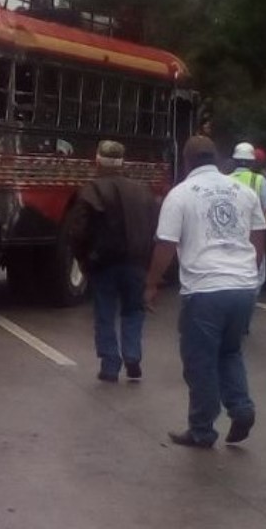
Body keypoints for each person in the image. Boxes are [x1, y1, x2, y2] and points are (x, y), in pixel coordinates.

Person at [145, 136, 266, 448]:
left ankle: (202, 429)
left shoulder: (181, 194)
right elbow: (259, 236)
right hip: (243, 286)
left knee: (200, 360)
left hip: (205, 289)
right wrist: (249, 271)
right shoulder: (244, 191)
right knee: (230, 351)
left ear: (186, 161)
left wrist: (151, 284)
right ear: (217, 158)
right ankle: (241, 409)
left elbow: (166, 245)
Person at [69, 141, 158, 382]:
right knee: (133, 309)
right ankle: (132, 355)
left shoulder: (90, 191)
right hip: (136, 262)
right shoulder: (142, 190)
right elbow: (154, 227)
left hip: (103, 263)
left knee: (105, 312)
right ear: (123, 163)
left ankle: (110, 365)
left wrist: (84, 260)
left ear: (96, 162)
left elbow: (77, 231)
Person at [229, 142, 266, 298]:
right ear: (252, 162)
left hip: (231, 231)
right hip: (254, 233)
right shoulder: (259, 181)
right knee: (255, 267)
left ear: (234, 160)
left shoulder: (226, 179)